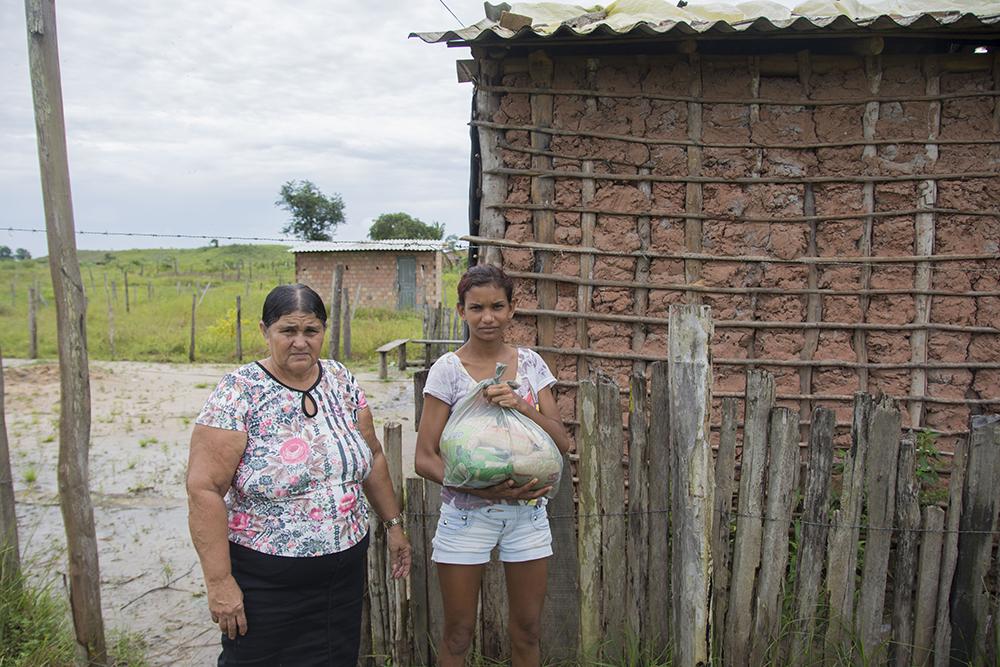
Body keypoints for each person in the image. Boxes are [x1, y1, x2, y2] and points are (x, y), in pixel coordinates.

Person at [187, 283, 411, 666]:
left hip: (341, 575)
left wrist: (393, 524)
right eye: (287, 331)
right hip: (266, 581)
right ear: (265, 331)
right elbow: (204, 488)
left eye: (311, 331)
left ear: (324, 331)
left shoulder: (341, 381)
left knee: (334, 658)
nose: (300, 342)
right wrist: (220, 582)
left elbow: (372, 456)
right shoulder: (239, 391)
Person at [415, 265, 572, 667]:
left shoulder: (532, 365)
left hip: (528, 516)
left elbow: (562, 442)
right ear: (461, 311)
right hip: (466, 517)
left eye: (497, 307)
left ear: (512, 309)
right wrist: (480, 490)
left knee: (528, 632)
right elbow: (424, 458)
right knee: (457, 634)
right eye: (476, 307)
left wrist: (520, 405)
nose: (488, 317)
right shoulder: (447, 371)